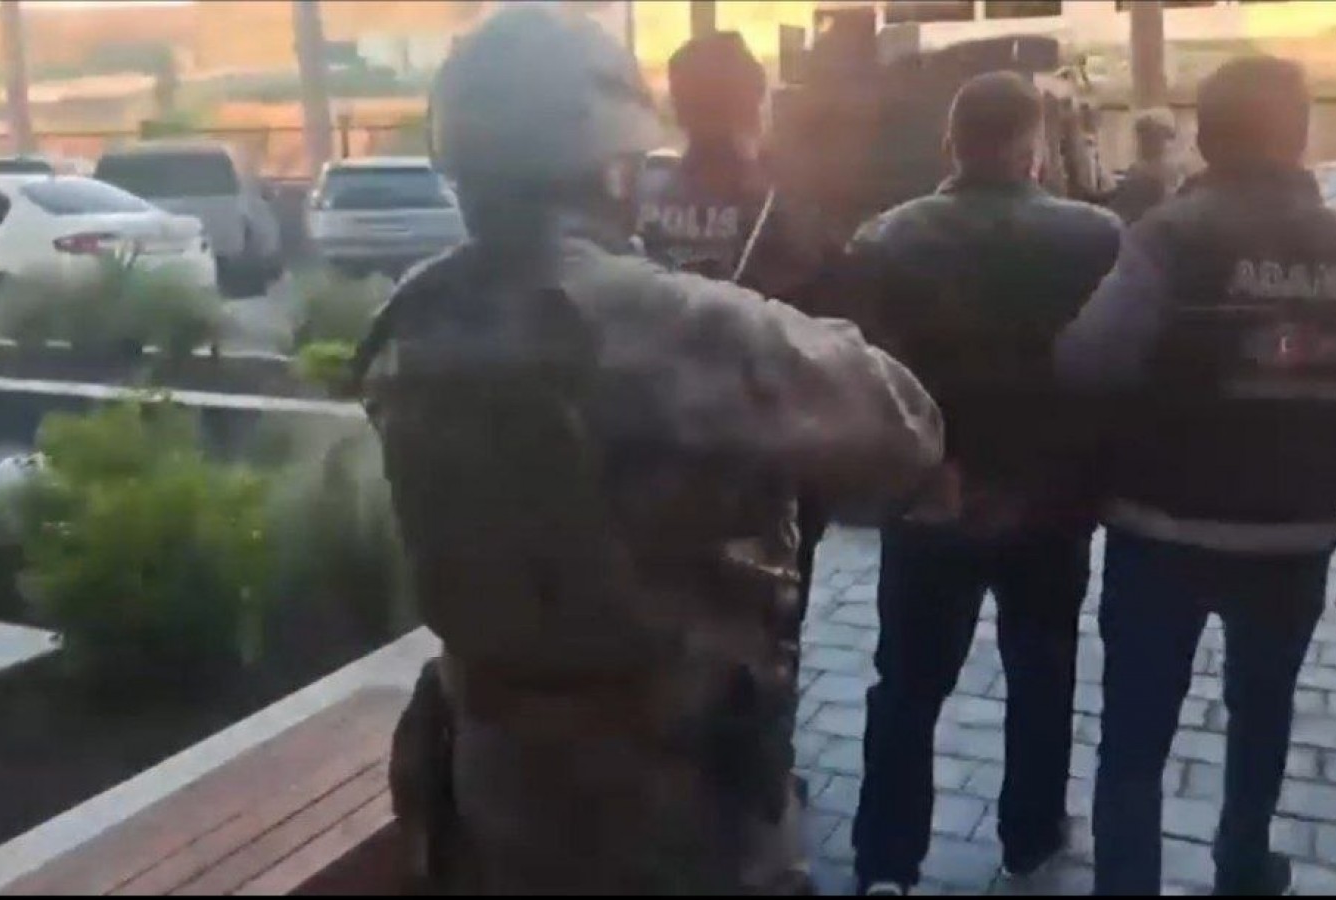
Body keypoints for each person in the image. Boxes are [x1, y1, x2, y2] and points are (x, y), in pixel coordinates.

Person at [359, 6, 945, 894]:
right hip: (664, 805)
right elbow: (906, 426)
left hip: (491, 783)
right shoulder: (672, 323)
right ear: (612, 165)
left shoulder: (414, 316)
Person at [1054, 56, 1336, 896]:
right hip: (1290, 541)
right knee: (1262, 713)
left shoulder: (1168, 238)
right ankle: (1243, 865)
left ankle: (1127, 883)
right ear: (1298, 135)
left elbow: (1087, 362)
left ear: (1205, 136)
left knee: (1134, 735)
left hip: (1158, 533)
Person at [843, 71, 1122, 896]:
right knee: (1042, 674)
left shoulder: (885, 237)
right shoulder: (1097, 238)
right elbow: (1117, 376)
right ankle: (1029, 838)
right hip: (1049, 506)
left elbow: (861, 374)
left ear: (950, 146)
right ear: (1035, 148)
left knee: (906, 686)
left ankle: (886, 860)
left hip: (931, 497)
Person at [639, 31, 839, 641]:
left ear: (676, 107)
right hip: (761, 461)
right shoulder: (790, 203)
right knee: (763, 637)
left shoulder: (640, 199)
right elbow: (829, 335)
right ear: (756, 101)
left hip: (657, 444)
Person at [1104, 107, 1183, 225]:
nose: (1143, 143)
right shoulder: (1138, 172)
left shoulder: (1144, 173)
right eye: (1143, 138)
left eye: (1150, 137)